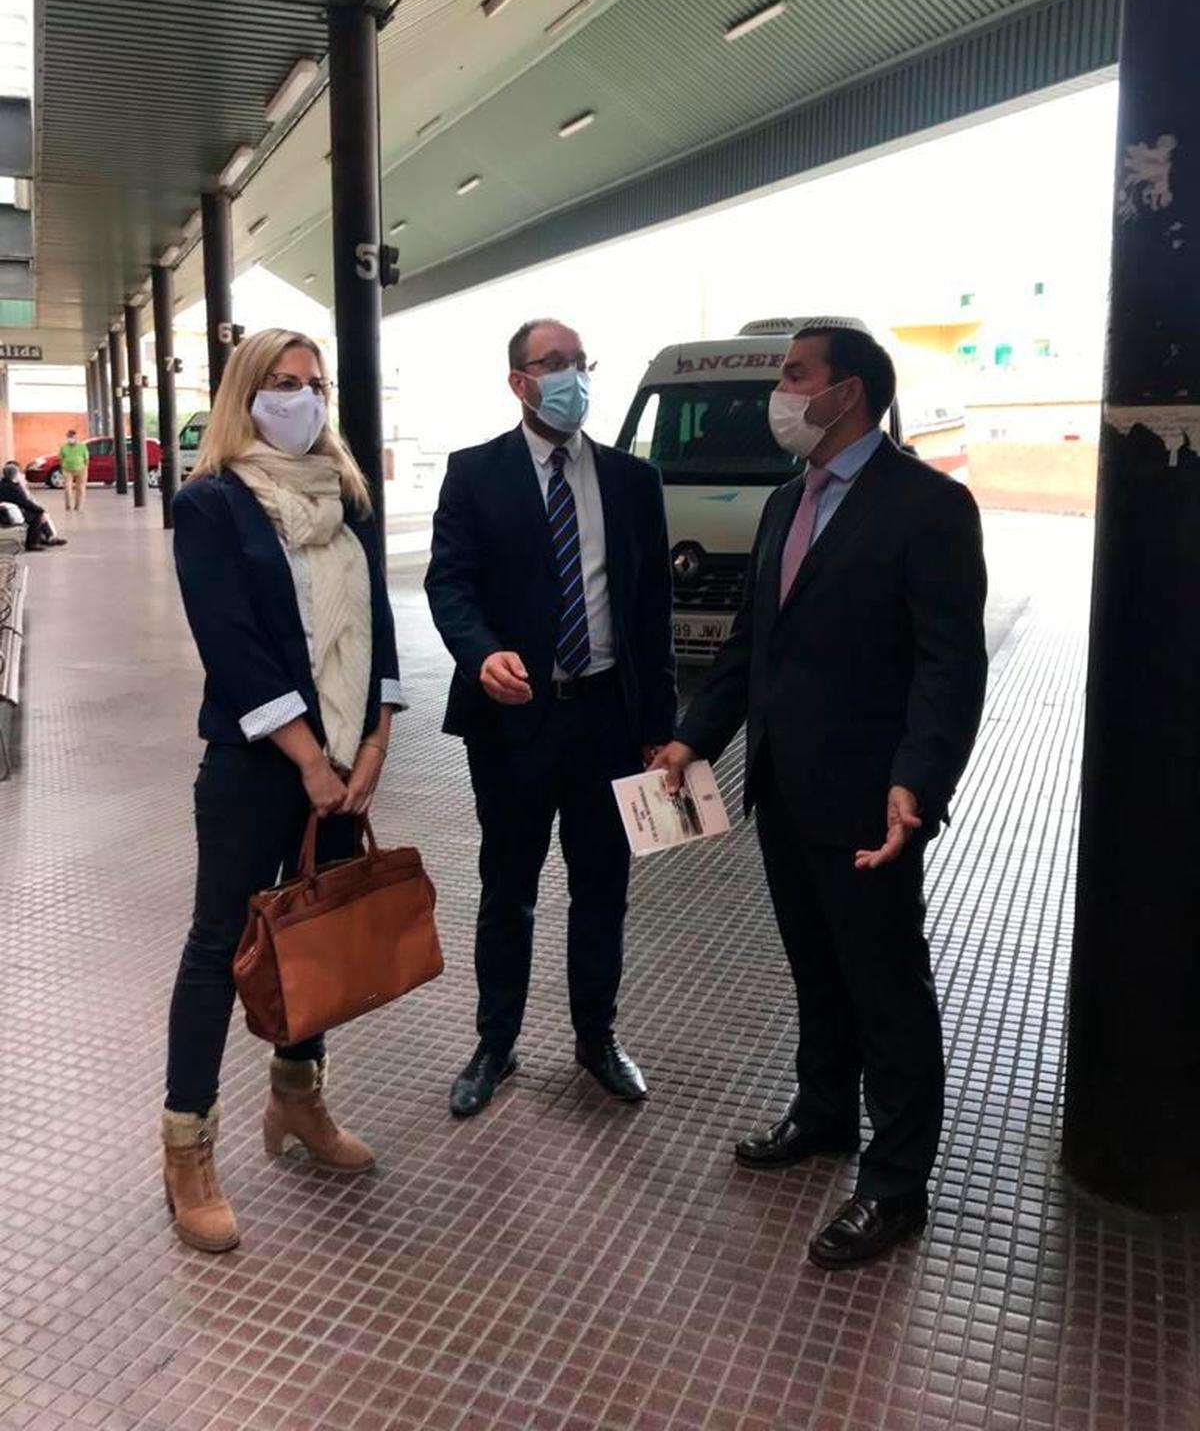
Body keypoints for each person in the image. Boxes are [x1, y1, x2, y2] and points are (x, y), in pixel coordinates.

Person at [654, 319, 987, 1270]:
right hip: (784, 793)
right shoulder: (783, 505)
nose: (782, 393)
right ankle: (825, 1113)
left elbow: (949, 666)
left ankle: (895, 1184)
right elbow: (750, 648)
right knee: (816, 967)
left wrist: (918, 780)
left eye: (796, 376)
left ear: (849, 394)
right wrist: (692, 739)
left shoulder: (927, 507)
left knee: (887, 989)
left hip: (872, 801)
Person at [164, 328, 404, 1254]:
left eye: (314, 384)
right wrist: (309, 757)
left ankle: (298, 1101)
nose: (300, 399)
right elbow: (232, 645)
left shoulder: (345, 492)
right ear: (243, 395)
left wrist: (375, 740)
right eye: (280, 383)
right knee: (219, 947)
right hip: (258, 766)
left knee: (315, 935)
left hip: (343, 762)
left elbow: (375, 619)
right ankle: (188, 1148)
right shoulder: (213, 505)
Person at [426, 319, 676, 1119]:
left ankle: (596, 1038)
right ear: (519, 382)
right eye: (553, 363)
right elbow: (449, 585)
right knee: (509, 887)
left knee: (604, 889)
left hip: (608, 718)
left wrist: (661, 724)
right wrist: (479, 652)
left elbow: (652, 613)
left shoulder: (634, 482)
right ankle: (494, 1043)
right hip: (515, 721)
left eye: (580, 362)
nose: (571, 376)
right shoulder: (474, 474)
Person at [0, 461, 68, 550]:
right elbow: (25, 503)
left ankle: (47, 537)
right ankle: (33, 543)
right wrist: (41, 510)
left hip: (7, 512)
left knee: (36, 513)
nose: (21, 475)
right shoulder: (13, 488)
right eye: (19, 474)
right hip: (8, 514)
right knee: (37, 516)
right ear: (15, 476)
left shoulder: (4, 485)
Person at [59, 429, 88, 511]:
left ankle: (78, 506)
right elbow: (61, 458)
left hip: (81, 469)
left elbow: (86, 459)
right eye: (68, 437)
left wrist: (85, 469)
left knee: (80, 488)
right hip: (67, 470)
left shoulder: (82, 446)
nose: (70, 439)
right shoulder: (64, 447)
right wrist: (62, 468)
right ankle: (68, 506)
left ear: (76, 437)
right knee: (67, 488)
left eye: (71, 437)